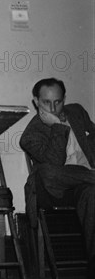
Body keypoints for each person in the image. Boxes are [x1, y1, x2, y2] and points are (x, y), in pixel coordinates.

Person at [20, 77, 95, 276]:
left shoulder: (77, 112)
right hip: (56, 190)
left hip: (85, 186)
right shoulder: (31, 135)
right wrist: (58, 127)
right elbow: (54, 164)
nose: (53, 108)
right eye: (46, 102)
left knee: (92, 195)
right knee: (46, 171)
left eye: (58, 101)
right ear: (36, 101)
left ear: (64, 99)